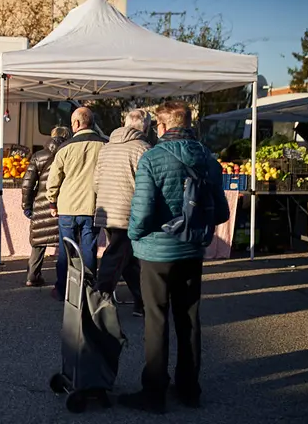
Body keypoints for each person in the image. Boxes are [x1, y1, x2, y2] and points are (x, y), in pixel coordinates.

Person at [119, 102, 229, 413]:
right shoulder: (208, 159)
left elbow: (141, 213)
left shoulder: (152, 158)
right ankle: (189, 389)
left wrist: (133, 236)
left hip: (157, 251)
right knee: (189, 318)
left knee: (156, 319)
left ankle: (154, 392)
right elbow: (221, 211)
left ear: (163, 126)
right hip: (192, 249)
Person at [93, 109, 152, 317]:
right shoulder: (143, 149)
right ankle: (100, 295)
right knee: (117, 255)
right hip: (130, 211)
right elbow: (146, 186)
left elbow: (96, 182)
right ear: (145, 127)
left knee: (127, 258)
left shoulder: (106, 148)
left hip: (107, 210)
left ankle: (142, 302)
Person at [46, 107, 106, 300]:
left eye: (72, 123)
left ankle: (63, 288)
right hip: (93, 206)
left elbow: (54, 178)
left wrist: (52, 201)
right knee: (89, 248)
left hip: (67, 206)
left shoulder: (65, 147)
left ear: (77, 124)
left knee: (66, 249)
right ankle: (88, 288)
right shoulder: (105, 145)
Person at [21, 126, 69, 287]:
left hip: (40, 205)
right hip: (61, 205)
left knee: (38, 243)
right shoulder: (68, 154)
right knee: (66, 244)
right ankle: (66, 280)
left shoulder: (38, 156)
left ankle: (32, 276)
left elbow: (28, 184)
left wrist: (26, 206)